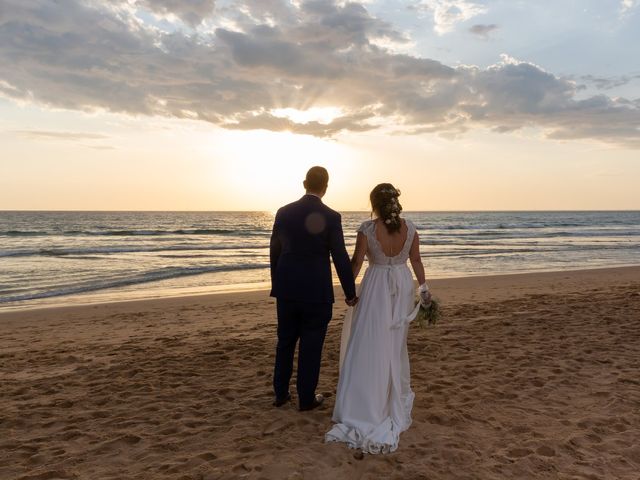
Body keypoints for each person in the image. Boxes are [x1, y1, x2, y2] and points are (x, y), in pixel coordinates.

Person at [325, 183, 431, 453]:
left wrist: (348, 289)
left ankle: (366, 401)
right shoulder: (411, 228)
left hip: (376, 286)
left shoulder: (367, 229)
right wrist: (424, 288)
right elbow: (416, 260)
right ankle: (386, 394)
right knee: (393, 343)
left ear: (374, 203)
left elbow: (358, 262)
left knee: (369, 340)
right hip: (401, 283)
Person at [270, 166, 358, 411]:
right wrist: (350, 293)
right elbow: (340, 256)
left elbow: (274, 250)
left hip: (286, 289)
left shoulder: (283, 212)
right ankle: (306, 398)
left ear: (304, 183)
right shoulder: (332, 216)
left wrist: (277, 283)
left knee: (285, 341)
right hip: (316, 292)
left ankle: (280, 394)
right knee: (311, 344)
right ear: (326, 187)